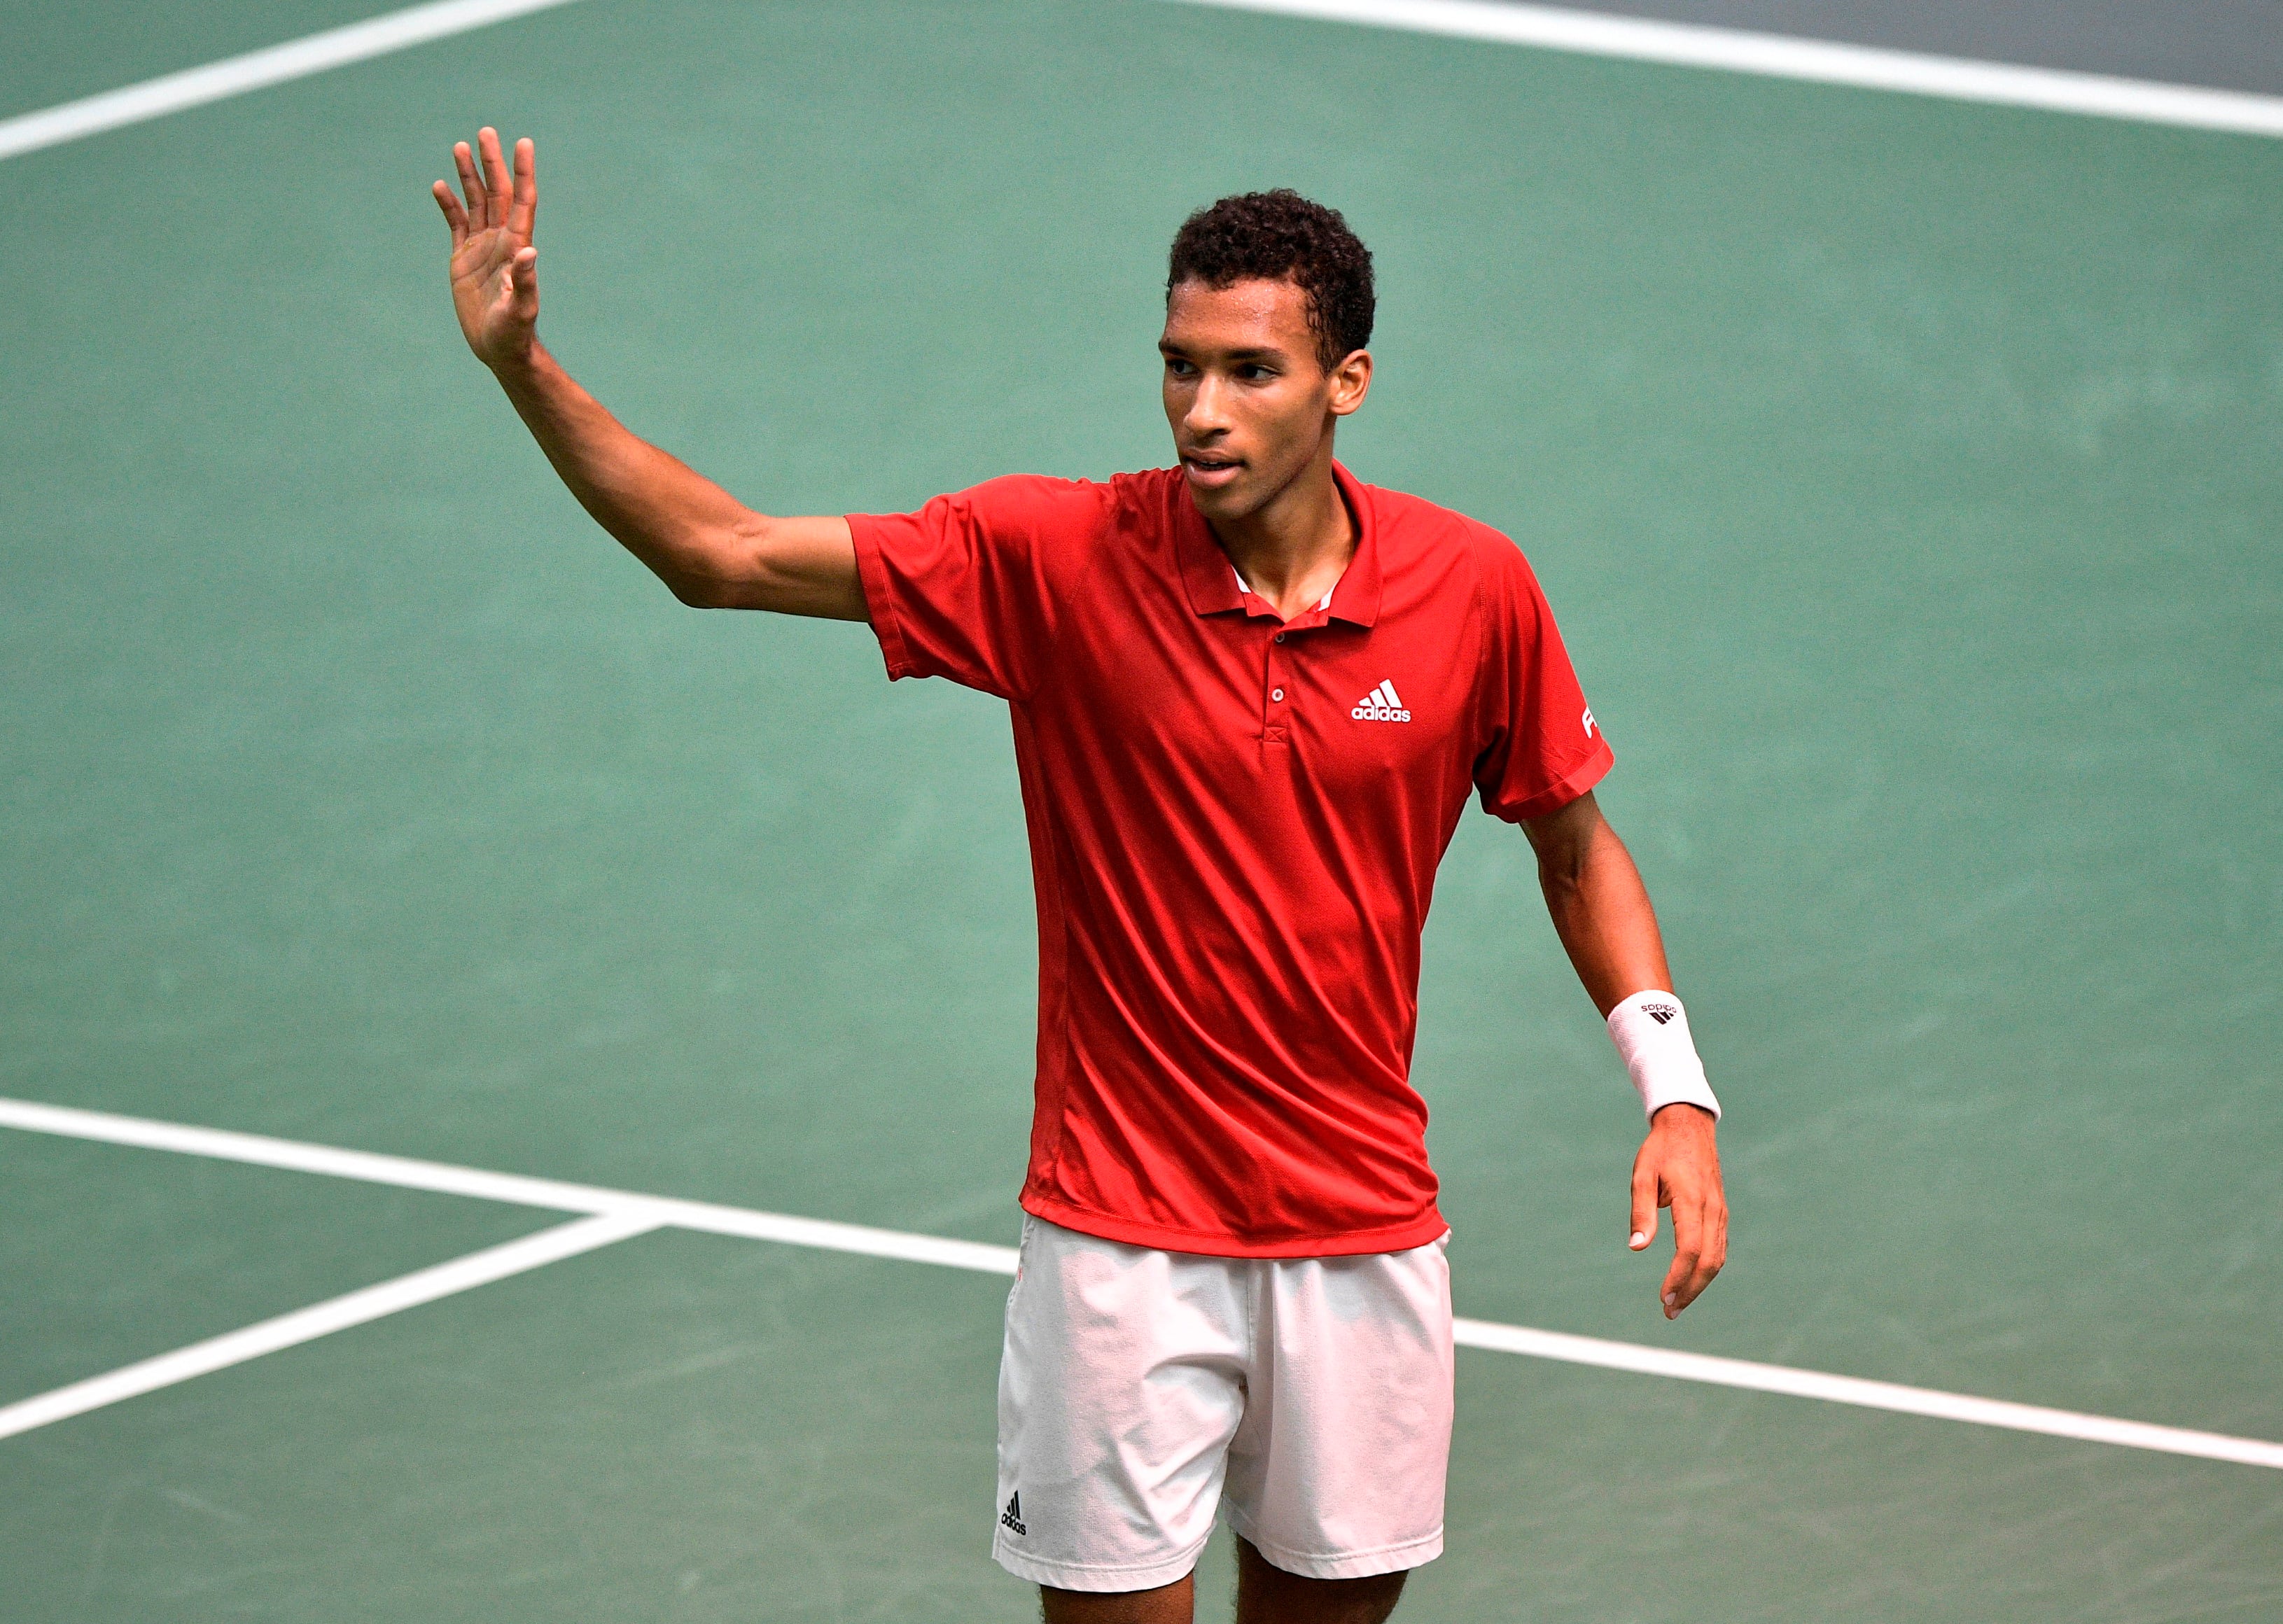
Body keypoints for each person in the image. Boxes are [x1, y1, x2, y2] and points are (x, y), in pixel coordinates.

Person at [432, 127, 1727, 1624]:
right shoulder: (1053, 556)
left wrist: (1671, 1085)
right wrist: (521, 366)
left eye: (1249, 370)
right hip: (1118, 1239)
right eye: (1179, 364)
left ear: (1344, 385)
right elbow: (717, 551)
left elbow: (1570, 837)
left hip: (1362, 1223)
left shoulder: (1467, 587)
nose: (1200, 407)